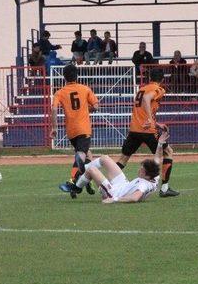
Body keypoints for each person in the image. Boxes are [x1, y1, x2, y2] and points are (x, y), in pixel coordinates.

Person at [116, 68, 179, 197]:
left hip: (135, 129)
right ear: (162, 80)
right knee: (168, 152)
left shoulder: (141, 89)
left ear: (150, 78)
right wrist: (151, 120)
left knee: (123, 158)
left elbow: (143, 109)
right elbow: (146, 99)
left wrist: (156, 123)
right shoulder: (159, 89)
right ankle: (165, 188)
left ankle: (109, 184)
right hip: (147, 131)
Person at [66, 127, 170, 204]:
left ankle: (77, 187)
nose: (139, 170)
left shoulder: (144, 185)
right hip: (123, 185)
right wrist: (160, 143)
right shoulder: (154, 175)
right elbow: (158, 158)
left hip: (114, 192)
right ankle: (82, 169)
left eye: (142, 170)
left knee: (92, 170)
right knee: (104, 158)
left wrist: (114, 199)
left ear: (147, 175)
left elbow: (135, 198)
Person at [52, 64, 100, 198]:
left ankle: (87, 180)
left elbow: (54, 109)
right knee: (81, 155)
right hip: (84, 128)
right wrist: (86, 110)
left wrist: (55, 128)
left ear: (64, 77)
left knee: (88, 154)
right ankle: (73, 182)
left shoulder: (59, 92)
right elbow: (96, 106)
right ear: (77, 75)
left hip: (71, 131)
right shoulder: (85, 89)